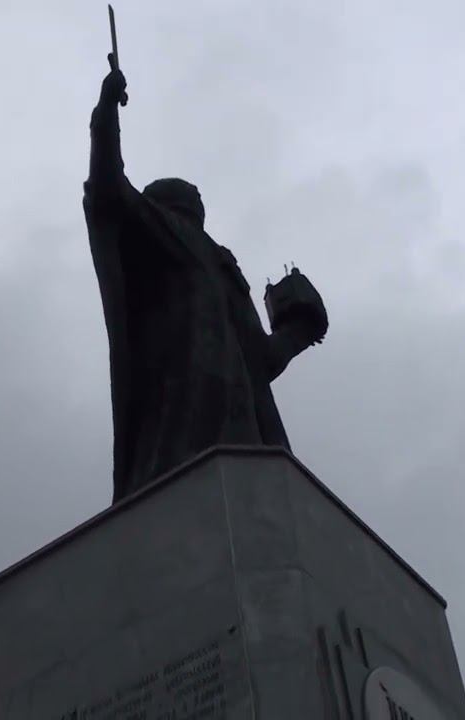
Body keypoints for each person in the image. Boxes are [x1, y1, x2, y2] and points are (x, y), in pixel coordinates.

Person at [83, 53, 329, 503]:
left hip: (246, 439)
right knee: (177, 503)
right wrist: (106, 114)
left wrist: (299, 328)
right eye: (190, 195)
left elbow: (260, 359)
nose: (198, 197)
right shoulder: (161, 233)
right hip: (176, 426)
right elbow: (108, 188)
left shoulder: (220, 264)